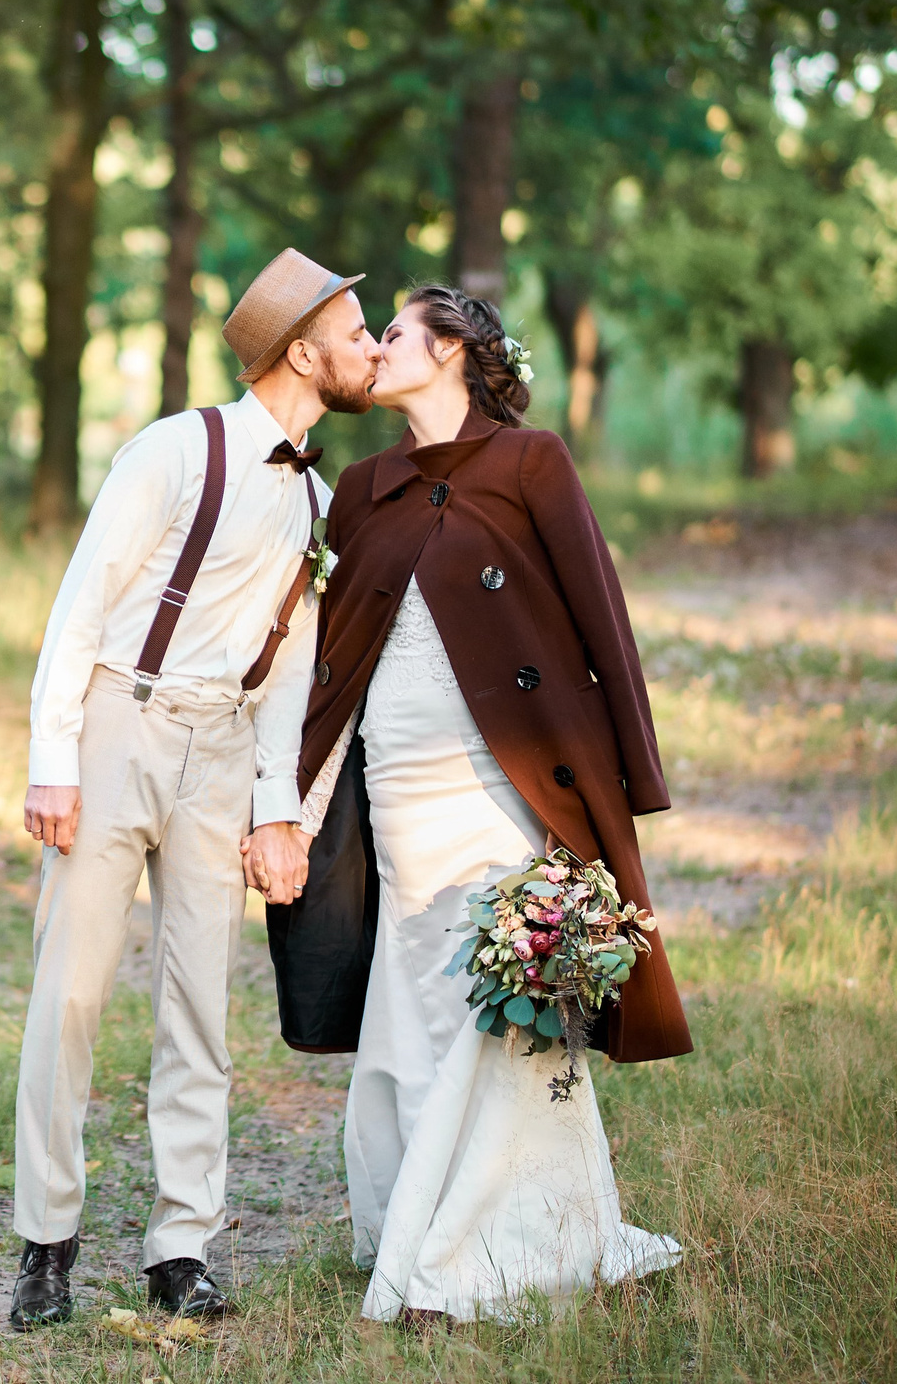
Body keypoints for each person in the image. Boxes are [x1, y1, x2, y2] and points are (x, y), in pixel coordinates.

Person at [260, 283, 691, 1324]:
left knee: (491, 994)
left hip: (505, 777)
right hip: (396, 782)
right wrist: (287, 796)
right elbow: (325, 652)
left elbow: (598, 615)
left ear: (451, 350)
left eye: (394, 332)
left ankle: (473, 1244)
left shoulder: (530, 461)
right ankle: (418, 1211)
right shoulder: (363, 484)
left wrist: (613, 788)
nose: (377, 349)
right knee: (410, 988)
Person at [8, 250, 380, 1330]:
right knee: (69, 993)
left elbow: (289, 671)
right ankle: (47, 1240)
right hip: (123, 722)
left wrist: (277, 804)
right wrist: (53, 753)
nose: (369, 351)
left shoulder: (316, 496)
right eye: (357, 334)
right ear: (302, 351)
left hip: (223, 751)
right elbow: (83, 602)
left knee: (200, 1008)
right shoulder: (174, 449)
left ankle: (182, 1245)